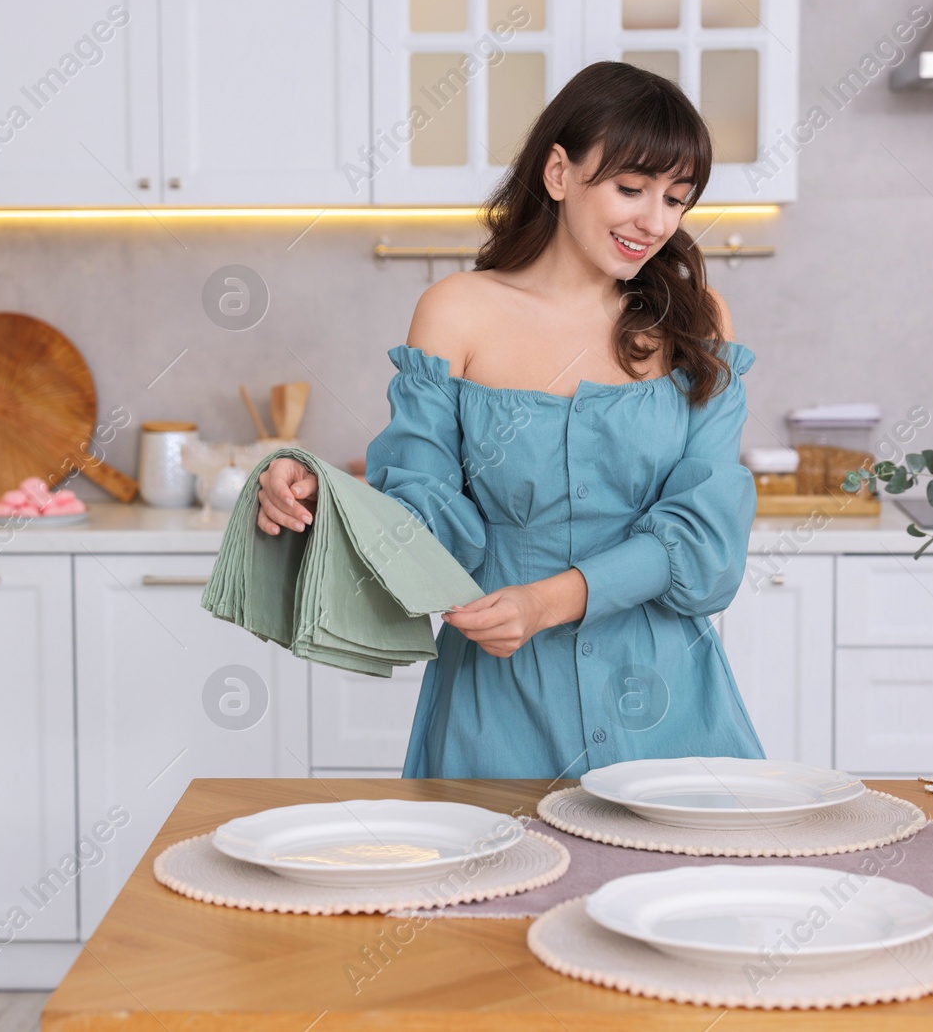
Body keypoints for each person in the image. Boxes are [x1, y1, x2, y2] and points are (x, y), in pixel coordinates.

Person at [254, 60, 764, 780]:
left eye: (676, 199)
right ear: (559, 172)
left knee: (685, 891)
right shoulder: (457, 311)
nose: (655, 222)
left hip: (667, 705)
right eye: (630, 188)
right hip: (499, 705)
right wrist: (318, 489)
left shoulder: (695, 323)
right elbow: (423, 515)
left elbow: (705, 538)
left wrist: (546, 600)